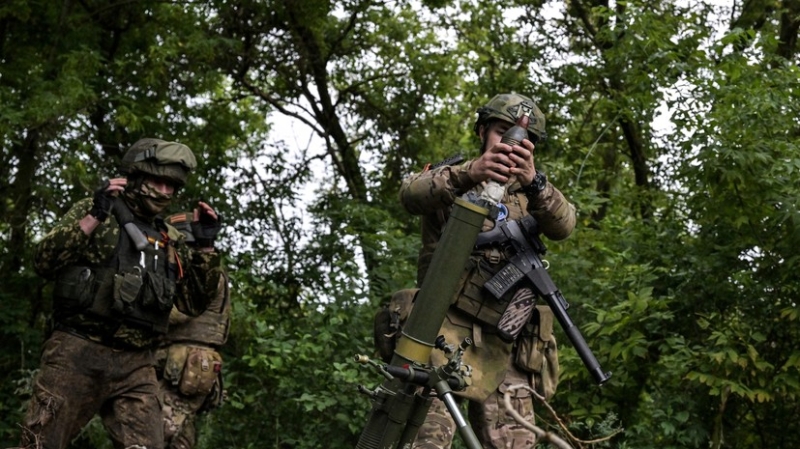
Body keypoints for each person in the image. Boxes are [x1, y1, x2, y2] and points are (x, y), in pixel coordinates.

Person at [16, 138, 225, 449]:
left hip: (137, 363)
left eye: (172, 186)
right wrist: (94, 216)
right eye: (158, 182)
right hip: (78, 351)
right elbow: (44, 262)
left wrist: (206, 248)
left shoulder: (170, 238)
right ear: (136, 176)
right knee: (40, 443)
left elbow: (192, 303)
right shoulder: (97, 212)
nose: (165, 193)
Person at [397, 93, 576, 448]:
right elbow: (411, 195)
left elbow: (564, 225)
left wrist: (535, 182)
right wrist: (472, 172)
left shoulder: (532, 196)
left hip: (506, 342)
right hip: (441, 336)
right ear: (482, 132)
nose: (511, 143)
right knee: (426, 441)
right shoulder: (453, 178)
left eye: (522, 139)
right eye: (501, 131)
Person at [155, 211, 231, 449]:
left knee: (160, 435)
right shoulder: (210, 270)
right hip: (196, 365)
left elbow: (178, 313)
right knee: (179, 437)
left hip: (182, 364)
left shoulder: (195, 273)